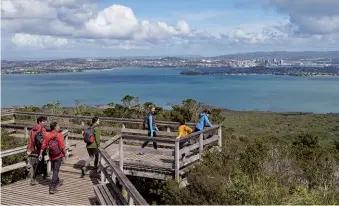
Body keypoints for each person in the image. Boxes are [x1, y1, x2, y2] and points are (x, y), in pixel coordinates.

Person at [39, 122, 65, 194]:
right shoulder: (59, 135)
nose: (59, 127)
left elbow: (43, 145)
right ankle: (52, 187)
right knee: (56, 170)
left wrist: (40, 153)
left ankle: (58, 180)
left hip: (51, 155)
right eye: (58, 126)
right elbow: (62, 146)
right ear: (55, 127)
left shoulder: (48, 135)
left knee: (54, 169)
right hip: (58, 155)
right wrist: (65, 154)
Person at [27, 115, 48, 185]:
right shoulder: (42, 129)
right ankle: (33, 179)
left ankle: (45, 174)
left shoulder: (33, 129)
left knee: (42, 160)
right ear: (40, 122)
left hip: (36, 148)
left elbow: (30, 140)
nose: (45, 122)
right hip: (41, 148)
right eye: (44, 121)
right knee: (39, 162)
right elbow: (45, 139)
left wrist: (29, 149)